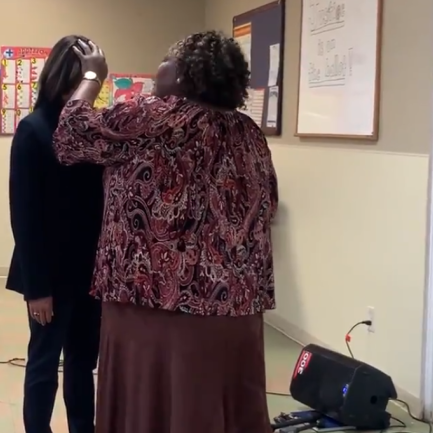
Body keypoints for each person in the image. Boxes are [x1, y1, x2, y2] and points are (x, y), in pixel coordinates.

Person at [52, 31, 279, 433]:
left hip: (155, 304)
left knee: (158, 403)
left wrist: (92, 77)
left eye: (168, 57)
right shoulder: (248, 133)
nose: (161, 65)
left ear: (187, 74)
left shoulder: (153, 115)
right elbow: (268, 204)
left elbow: (70, 136)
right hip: (236, 307)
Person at [5, 35, 104, 433]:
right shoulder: (33, 130)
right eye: (72, 83)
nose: (77, 94)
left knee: (83, 362)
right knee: (44, 362)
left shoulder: (92, 129)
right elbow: (24, 216)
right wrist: (37, 287)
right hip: (48, 274)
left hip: (90, 272)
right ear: (57, 80)